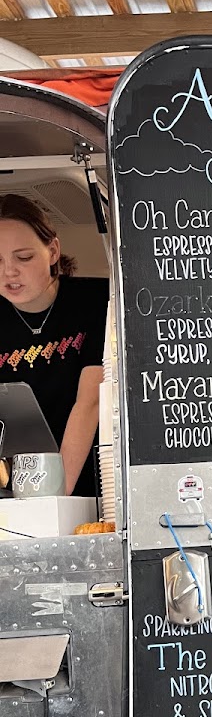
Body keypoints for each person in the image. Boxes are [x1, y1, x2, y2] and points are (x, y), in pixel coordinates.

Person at [0, 194, 108, 497]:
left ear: (52, 251)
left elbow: (90, 402)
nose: (9, 271)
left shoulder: (97, 300)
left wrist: (55, 497)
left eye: (23, 257)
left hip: (91, 482)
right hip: (17, 485)